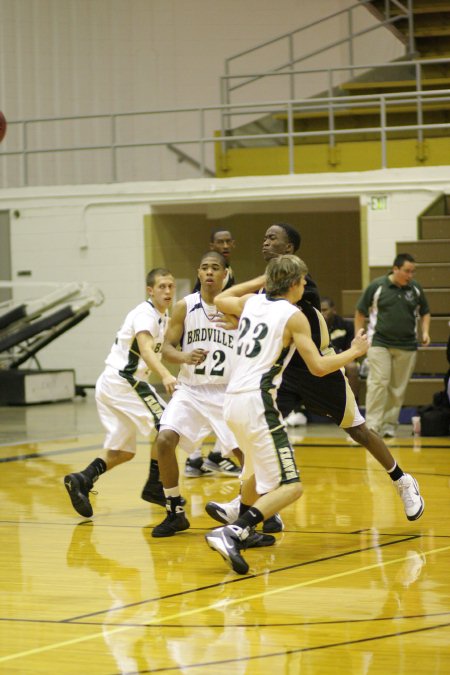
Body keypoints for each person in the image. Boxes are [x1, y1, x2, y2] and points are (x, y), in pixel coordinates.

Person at [205, 223, 425, 532]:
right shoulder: (270, 287)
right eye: (265, 236)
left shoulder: (300, 285)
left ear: (289, 249)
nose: (265, 242)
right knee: (261, 436)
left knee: (358, 429)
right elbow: (248, 310)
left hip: (320, 365)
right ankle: (248, 502)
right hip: (286, 371)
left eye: (272, 238)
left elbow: (263, 311)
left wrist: (240, 315)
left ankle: (402, 480)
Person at [204, 255, 369, 574]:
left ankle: (245, 528)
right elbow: (319, 367)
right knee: (291, 486)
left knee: (252, 472)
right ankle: (233, 533)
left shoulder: (250, 302)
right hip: (258, 402)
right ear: (293, 284)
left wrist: (260, 280)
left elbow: (223, 298)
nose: (306, 286)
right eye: (303, 281)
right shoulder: (294, 316)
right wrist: (355, 352)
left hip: (232, 403)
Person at [152, 251, 279, 541]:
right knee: (163, 440)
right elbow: (166, 348)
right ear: (198, 273)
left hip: (227, 391)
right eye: (205, 268)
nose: (209, 273)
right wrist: (184, 355)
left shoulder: (238, 307)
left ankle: (259, 510)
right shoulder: (185, 306)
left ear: (226, 275)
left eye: (215, 269)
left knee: (245, 456)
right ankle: (174, 511)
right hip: (192, 390)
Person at [64, 268, 177, 518]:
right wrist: (167, 375)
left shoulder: (164, 315)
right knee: (168, 425)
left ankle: (82, 479)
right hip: (124, 380)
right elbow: (147, 351)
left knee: (124, 452)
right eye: (162, 287)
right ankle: (155, 485)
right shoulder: (145, 314)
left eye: (170, 286)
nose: (168, 291)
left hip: (112, 383)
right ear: (150, 290)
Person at [355, 253, 431, 437]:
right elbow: (360, 312)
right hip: (379, 342)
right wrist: (359, 333)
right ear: (395, 269)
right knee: (378, 383)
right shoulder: (377, 286)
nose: (410, 275)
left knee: (397, 389)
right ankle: (372, 426)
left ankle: (389, 425)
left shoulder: (415, 288)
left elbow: (426, 312)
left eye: (413, 271)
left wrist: (426, 332)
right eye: (406, 271)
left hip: (407, 345)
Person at [187, 228, 241, 478]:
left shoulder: (230, 274)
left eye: (229, 241)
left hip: (223, 344)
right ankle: (196, 457)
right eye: (220, 241)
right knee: (204, 403)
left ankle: (215, 456)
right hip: (204, 340)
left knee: (223, 408)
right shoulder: (207, 276)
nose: (225, 245)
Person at [321, 296, 360, 400]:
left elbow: (351, 349)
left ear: (333, 310)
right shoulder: (315, 327)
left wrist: (338, 357)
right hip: (321, 359)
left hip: (342, 358)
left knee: (352, 367)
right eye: (319, 310)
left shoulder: (346, 326)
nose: (321, 313)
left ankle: (353, 403)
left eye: (324, 310)